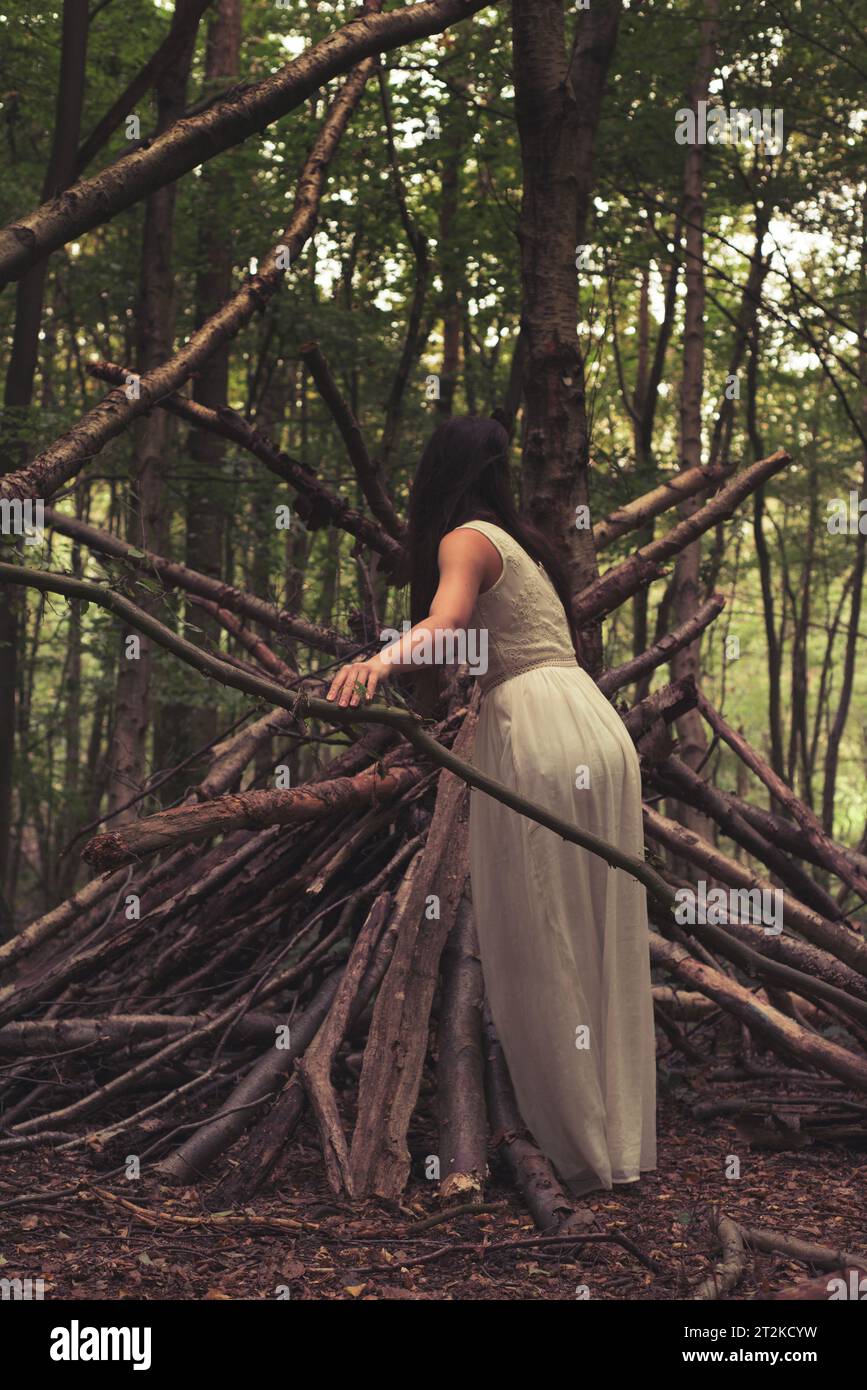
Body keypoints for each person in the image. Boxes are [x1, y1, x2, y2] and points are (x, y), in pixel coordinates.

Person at [327, 415, 656, 1196]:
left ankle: (581, 1147)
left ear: (436, 474)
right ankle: (613, 1137)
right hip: (590, 721)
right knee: (595, 924)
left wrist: (377, 662)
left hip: (537, 729)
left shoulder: (464, 538)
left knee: (543, 925)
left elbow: (443, 624)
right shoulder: (522, 544)